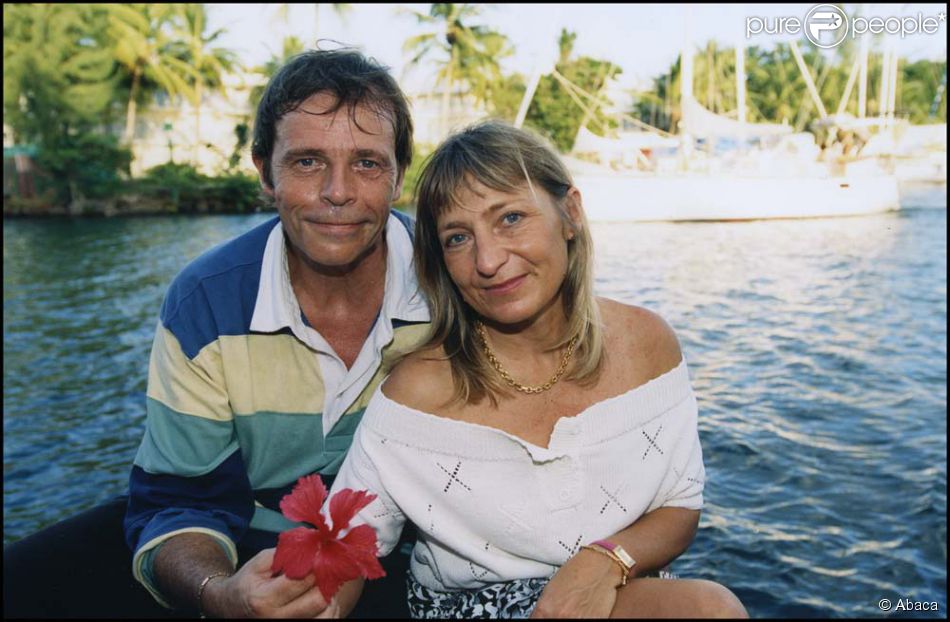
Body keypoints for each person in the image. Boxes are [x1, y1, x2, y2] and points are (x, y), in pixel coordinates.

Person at [3, 47, 428, 618]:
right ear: (263, 174)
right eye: (306, 162)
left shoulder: (457, 277)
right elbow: (180, 496)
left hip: (415, 551)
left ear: (400, 175)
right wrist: (220, 594)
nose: (338, 191)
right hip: (252, 546)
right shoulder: (205, 300)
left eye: (368, 164)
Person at [322, 121, 749, 618]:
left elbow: (679, 506)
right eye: (458, 238)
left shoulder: (647, 345)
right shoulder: (417, 393)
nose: (487, 259)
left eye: (510, 219)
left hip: (622, 584)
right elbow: (347, 545)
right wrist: (313, 601)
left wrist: (604, 562)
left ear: (570, 214)